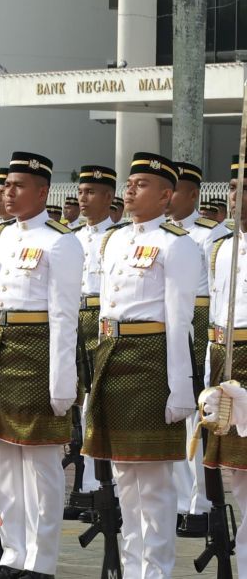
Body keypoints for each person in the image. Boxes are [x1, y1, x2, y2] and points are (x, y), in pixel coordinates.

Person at [83, 151, 198, 579]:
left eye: (142, 184)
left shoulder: (176, 245)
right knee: (124, 480)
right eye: (130, 183)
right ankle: (131, 570)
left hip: (151, 363)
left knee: (154, 484)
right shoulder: (115, 240)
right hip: (111, 358)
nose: (130, 189)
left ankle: (156, 572)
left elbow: (180, 319)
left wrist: (180, 386)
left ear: (167, 195)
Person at [0, 151, 80, 579]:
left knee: (41, 466)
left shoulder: (59, 240)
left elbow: (65, 317)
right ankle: (13, 553)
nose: (7, 192)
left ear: (42, 191)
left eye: (18, 186)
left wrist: (61, 383)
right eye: (5, 184)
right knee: (1, 462)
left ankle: (41, 560)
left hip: (38, 354)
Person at [167, 161, 220, 537]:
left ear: (193, 195)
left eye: (175, 190)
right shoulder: (163, 235)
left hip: (200, 324)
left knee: (196, 416)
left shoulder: (210, 235)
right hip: (172, 324)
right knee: (173, 412)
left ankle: (199, 505)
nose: (168, 197)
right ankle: (180, 500)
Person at [202, 157, 247, 576]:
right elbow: (215, 320)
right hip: (225, 362)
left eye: (245, 186)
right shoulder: (221, 246)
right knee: (236, 476)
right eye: (232, 186)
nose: (236, 195)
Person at [66, 163, 119, 515]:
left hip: (101, 320)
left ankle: (101, 486)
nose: (83, 199)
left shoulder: (118, 237)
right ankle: (83, 485)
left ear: (109, 197)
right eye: (81, 192)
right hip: (73, 317)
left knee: (99, 403)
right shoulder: (69, 235)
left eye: (91, 193)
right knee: (75, 403)